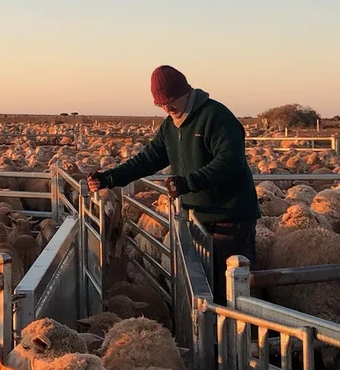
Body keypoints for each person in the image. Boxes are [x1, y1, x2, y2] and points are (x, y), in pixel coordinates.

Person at [87, 65, 258, 303]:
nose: (167, 108)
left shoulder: (215, 116)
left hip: (230, 220)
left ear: (186, 91)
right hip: (197, 221)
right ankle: (212, 340)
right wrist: (110, 178)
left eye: (171, 101)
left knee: (231, 292)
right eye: (160, 105)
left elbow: (231, 161)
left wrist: (190, 182)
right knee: (202, 291)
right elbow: (148, 159)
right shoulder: (170, 126)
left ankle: (242, 338)